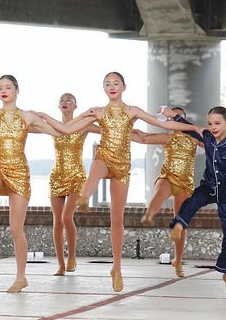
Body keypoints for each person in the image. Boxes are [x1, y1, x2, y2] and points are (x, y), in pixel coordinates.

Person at [36, 72, 199, 292]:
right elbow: (66, 128)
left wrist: (198, 130)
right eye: (107, 84)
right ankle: (85, 195)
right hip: (105, 157)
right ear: (104, 88)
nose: (112, 87)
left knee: (117, 219)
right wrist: (45, 115)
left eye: (116, 83)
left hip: (123, 167)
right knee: (97, 165)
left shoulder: (132, 111)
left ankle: (117, 268)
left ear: (124, 87)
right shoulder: (99, 112)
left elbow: (165, 126)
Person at [0, 75, 58, 292]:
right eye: (0, 88)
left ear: (17, 90)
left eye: (7, 87)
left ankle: (21, 277)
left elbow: (56, 131)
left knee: (16, 228)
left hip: (19, 173)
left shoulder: (26, 116)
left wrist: (50, 119)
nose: (3, 91)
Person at [165, 106, 226, 296]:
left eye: (217, 123)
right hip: (209, 186)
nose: (213, 127)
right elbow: (186, 127)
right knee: (192, 200)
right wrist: (172, 114)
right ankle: (179, 225)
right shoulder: (207, 137)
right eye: (210, 123)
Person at [129, 106, 201, 278]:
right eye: (171, 119)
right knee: (161, 190)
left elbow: (211, 141)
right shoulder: (167, 137)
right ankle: (149, 214)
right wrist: (128, 128)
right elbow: (144, 138)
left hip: (184, 184)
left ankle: (178, 259)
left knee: (180, 222)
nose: (174, 122)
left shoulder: (194, 139)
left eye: (178, 118)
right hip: (167, 177)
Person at [48, 93, 96, 276]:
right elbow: (34, 126)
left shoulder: (83, 126)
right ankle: (60, 264)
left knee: (66, 217)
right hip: (57, 176)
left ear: (76, 106)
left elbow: (106, 128)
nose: (65, 102)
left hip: (76, 176)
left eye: (69, 100)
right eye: (62, 100)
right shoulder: (54, 125)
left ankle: (72, 257)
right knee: (57, 221)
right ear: (58, 105)